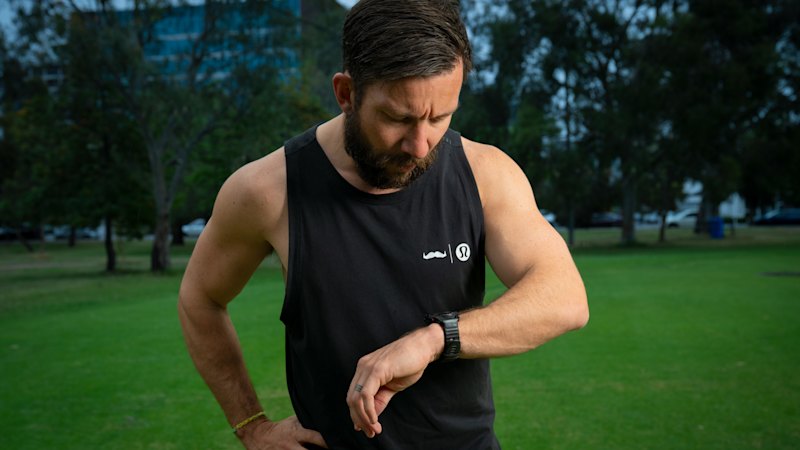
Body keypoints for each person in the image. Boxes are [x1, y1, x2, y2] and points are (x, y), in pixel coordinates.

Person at [178, 0, 589, 448]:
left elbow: (565, 297)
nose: (420, 145)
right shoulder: (267, 191)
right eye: (398, 119)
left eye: (440, 117)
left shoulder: (486, 174)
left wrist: (434, 340)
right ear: (346, 94)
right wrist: (252, 426)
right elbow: (201, 298)